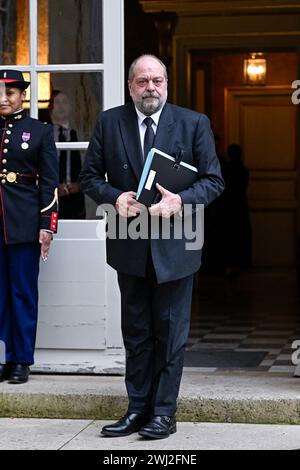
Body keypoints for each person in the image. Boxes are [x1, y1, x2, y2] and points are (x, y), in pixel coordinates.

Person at [79, 55, 224, 439]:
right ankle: (136, 410)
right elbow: (90, 177)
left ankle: (164, 413)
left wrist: (180, 201)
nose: (150, 88)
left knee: (170, 334)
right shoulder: (110, 122)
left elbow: (213, 181)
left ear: (166, 84)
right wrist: (114, 197)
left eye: (157, 80)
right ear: (131, 87)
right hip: (129, 247)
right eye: (142, 81)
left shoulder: (193, 123)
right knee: (137, 333)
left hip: (177, 249)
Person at [0, 70, 59, 384]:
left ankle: (22, 359)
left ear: (21, 95)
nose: (5, 98)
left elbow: (49, 183)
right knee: (0, 294)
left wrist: (47, 226)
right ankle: (5, 357)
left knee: (22, 291)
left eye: (11, 92)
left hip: (23, 223)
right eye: (1, 92)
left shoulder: (39, 132)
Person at [49, 90, 85, 219]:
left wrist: (79, 184)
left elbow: (87, 162)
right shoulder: (45, 133)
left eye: (64, 102)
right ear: (51, 106)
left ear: (70, 107)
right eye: (57, 102)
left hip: (74, 196)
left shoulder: (78, 133)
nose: (61, 106)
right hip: (51, 195)